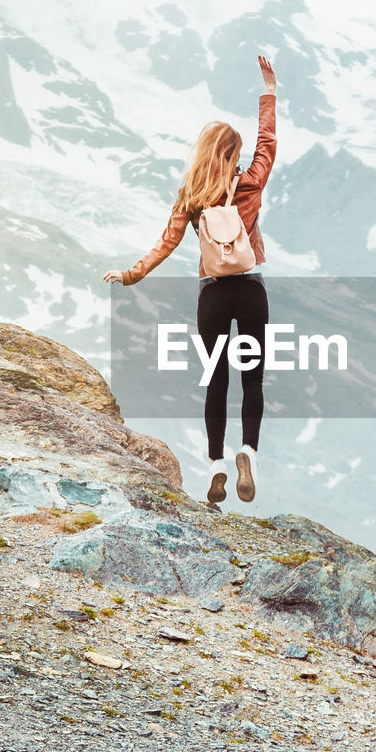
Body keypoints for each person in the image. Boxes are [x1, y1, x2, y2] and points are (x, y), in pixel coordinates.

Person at [104, 54, 277, 505]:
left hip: (213, 296)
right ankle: (247, 454)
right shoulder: (250, 184)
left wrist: (130, 274)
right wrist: (269, 93)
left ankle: (217, 465)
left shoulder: (192, 194)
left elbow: (165, 243)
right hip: (251, 289)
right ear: (234, 156)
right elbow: (268, 144)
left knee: (216, 381)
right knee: (252, 381)